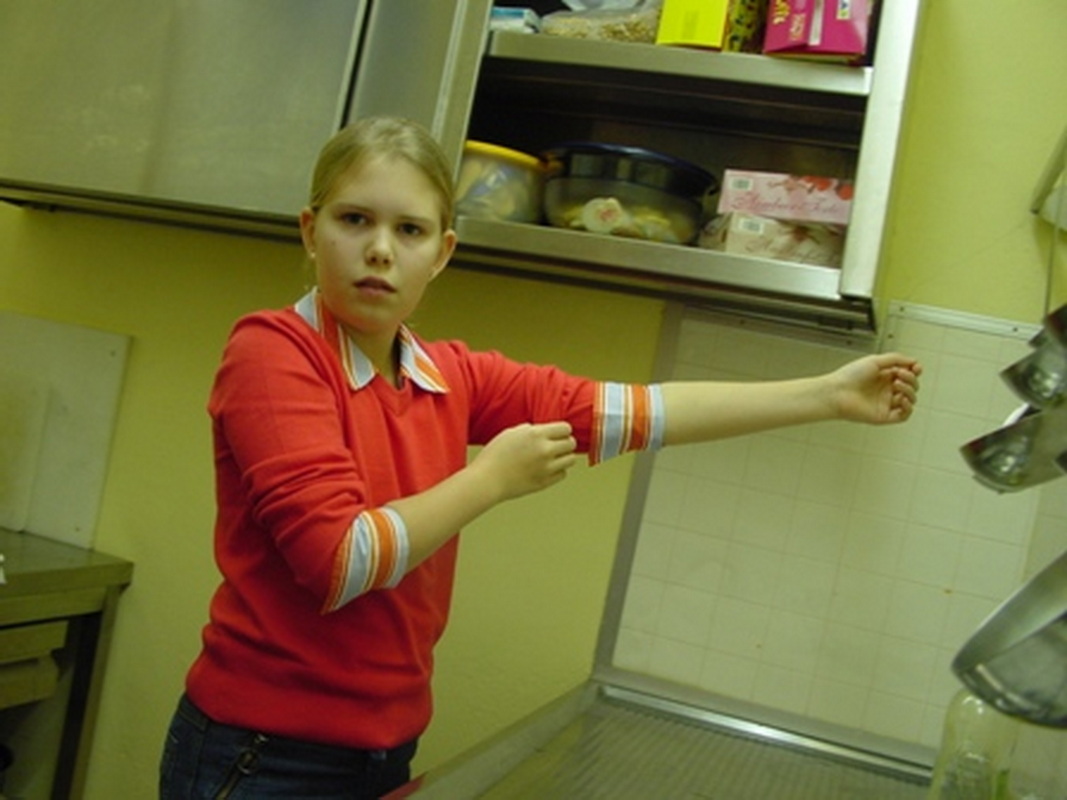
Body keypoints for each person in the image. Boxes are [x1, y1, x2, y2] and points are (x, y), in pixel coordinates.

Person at [159, 116, 921, 800]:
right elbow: (337, 560)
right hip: (262, 756)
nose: (380, 250)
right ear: (310, 229)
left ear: (442, 252)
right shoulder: (273, 352)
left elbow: (635, 412)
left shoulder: (447, 376)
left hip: (383, 750)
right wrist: (489, 480)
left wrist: (825, 395)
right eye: (354, 219)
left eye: (410, 230)